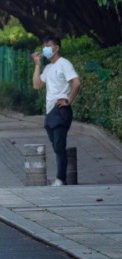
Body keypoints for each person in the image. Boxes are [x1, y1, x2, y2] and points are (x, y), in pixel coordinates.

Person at [32, 34, 81, 186]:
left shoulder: (64, 63)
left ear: (56, 48)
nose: (45, 49)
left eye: (48, 46)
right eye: (44, 46)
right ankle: (61, 178)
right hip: (51, 111)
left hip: (61, 110)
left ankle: (60, 179)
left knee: (59, 145)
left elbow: (76, 83)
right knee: (56, 145)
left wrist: (68, 101)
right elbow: (37, 85)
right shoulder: (48, 67)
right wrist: (37, 64)